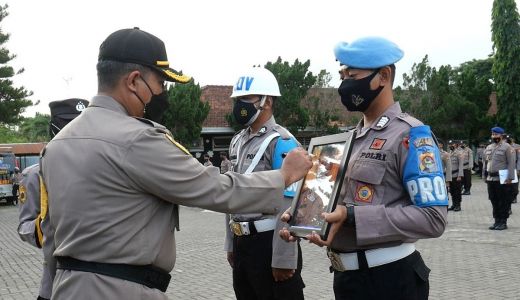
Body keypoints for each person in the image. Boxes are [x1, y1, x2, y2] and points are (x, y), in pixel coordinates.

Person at [40, 28, 312, 300]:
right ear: (134, 80)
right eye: (160, 83)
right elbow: (214, 188)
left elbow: (50, 236)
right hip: (120, 290)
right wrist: (283, 176)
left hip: (67, 288)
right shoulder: (136, 139)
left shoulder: (57, 145)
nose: (162, 94)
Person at [280, 36, 448, 300]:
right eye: (342, 75)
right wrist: (304, 218)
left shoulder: (411, 135)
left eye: (353, 75)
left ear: (383, 76)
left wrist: (353, 217)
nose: (345, 83)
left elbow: (433, 219)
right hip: (347, 279)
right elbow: (335, 204)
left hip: (390, 281)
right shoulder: (346, 140)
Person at [224, 67, 305, 300]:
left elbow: (289, 202)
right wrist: (231, 242)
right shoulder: (238, 140)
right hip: (242, 243)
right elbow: (230, 192)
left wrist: (283, 257)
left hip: (269, 244)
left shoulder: (282, 141)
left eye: (246, 99)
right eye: (238, 99)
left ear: (266, 102)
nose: (240, 105)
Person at [17, 98, 88, 300]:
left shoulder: (98, 167)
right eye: (70, 123)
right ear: (55, 126)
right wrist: (45, 226)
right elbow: (24, 226)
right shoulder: (35, 174)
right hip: (56, 280)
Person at [482, 127, 516, 230]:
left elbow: (511, 163)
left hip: (502, 179)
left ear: (501, 135)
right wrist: (484, 175)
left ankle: (503, 222)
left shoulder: (507, 147)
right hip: (491, 178)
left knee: (503, 201)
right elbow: (485, 163)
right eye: (492, 135)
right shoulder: (489, 147)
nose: (494, 137)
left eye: (496, 135)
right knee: (494, 200)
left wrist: (510, 177)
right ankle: (497, 220)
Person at [447, 140, 464, 211]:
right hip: (450, 176)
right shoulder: (449, 153)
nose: (451, 145)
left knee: (457, 191)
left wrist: (459, 175)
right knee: (452, 191)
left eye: (452, 144)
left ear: (456, 145)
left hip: (456, 175)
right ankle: (454, 205)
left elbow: (460, 165)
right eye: (450, 144)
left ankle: (458, 205)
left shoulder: (459, 153)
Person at [504, 135, 519, 203]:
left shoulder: (517, 146)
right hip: (505, 168)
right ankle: (508, 199)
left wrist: (518, 169)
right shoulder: (503, 146)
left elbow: (519, 158)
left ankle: (514, 197)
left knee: (514, 186)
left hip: (514, 167)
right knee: (506, 185)